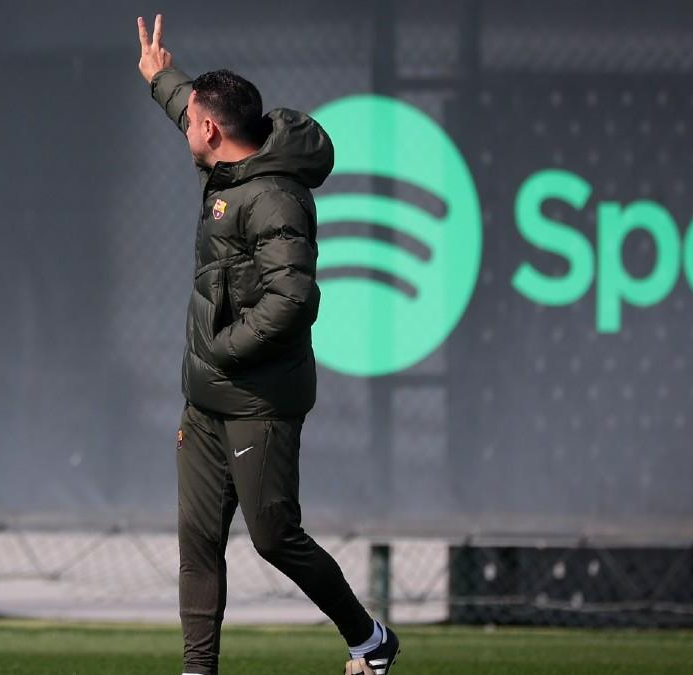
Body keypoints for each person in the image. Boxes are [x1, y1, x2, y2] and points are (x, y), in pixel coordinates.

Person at [136, 15, 400, 675]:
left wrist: (222, 348)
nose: (187, 126)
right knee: (198, 542)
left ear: (213, 132)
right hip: (204, 400)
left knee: (274, 535)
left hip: (258, 398)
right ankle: (198, 671)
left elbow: (293, 300)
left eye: (193, 118)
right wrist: (160, 77)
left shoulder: (275, 198)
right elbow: (189, 111)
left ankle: (370, 639)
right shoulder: (224, 167)